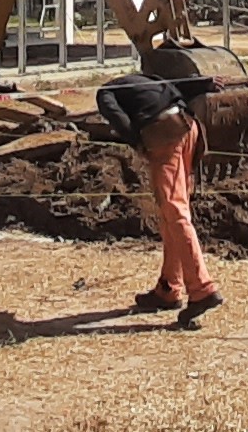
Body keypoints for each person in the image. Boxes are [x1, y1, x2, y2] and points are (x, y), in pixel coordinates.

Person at [94, 72, 222, 327]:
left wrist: (137, 142)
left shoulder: (105, 93)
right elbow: (177, 84)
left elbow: (117, 117)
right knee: (172, 211)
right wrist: (206, 83)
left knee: (174, 211)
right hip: (190, 127)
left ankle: (201, 289)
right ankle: (169, 287)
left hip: (165, 132)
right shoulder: (146, 78)